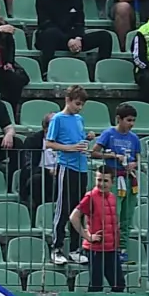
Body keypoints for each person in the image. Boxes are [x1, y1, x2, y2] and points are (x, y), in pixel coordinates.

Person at [45, 85, 92, 265]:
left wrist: (86, 138)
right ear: (68, 100)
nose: (79, 108)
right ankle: (56, 248)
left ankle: (74, 248)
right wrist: (70, 148)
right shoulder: (57, 119)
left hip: (81, 167)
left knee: (78, 209)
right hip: (66, 166)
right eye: (77, 104)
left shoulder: (79, 118)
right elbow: (50, 143)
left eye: (81, 105)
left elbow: (77, 140)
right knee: (63, 208)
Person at [68, 168, 126, 293]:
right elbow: (74, 217)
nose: (101, 183)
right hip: (96, 249)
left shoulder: (112, 197)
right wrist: (87, 236)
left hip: (111, 248)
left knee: (119, 284)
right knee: (96, 285)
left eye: (105, 181)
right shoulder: (90, 197)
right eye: (99, 180)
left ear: (112, 183)